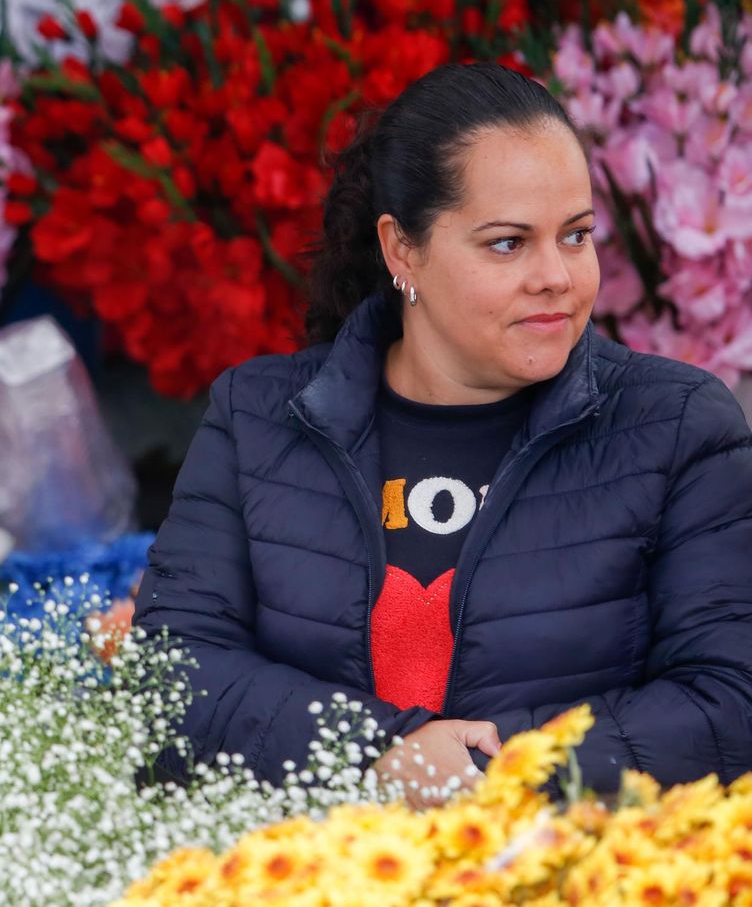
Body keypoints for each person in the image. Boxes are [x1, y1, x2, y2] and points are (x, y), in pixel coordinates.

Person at [134, 61, 752, 801]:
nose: (556, 274)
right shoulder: (258, 418)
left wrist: (490, 778)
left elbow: (729, 701)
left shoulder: (677, 427)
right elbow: (169, 675)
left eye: (577, 236)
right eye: (507, 243)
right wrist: (376, 754)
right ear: (403, 250)